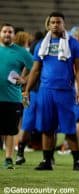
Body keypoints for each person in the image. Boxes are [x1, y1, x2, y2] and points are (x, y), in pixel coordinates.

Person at [24, 12, 79, 171]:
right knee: (47, 127)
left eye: (58, 22)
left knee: (69, 128)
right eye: (52, 22)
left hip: (65, 91)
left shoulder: (73, 43)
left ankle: (77, 161)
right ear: (48, 24)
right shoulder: (41, 44)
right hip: (46, 90)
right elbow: (35, 70)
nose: (55, 25)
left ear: (64, 24)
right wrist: (27, 90)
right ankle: (47, 161)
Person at [0, 23, 33, 169]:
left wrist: (25, 80)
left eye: (10, 32)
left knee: (10, 130)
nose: (7, 34)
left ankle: (8, 158)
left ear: (14, 35)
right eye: (4, 31)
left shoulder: (21, 52)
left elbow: (36, 68)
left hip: (12, 98)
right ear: (0, 33)